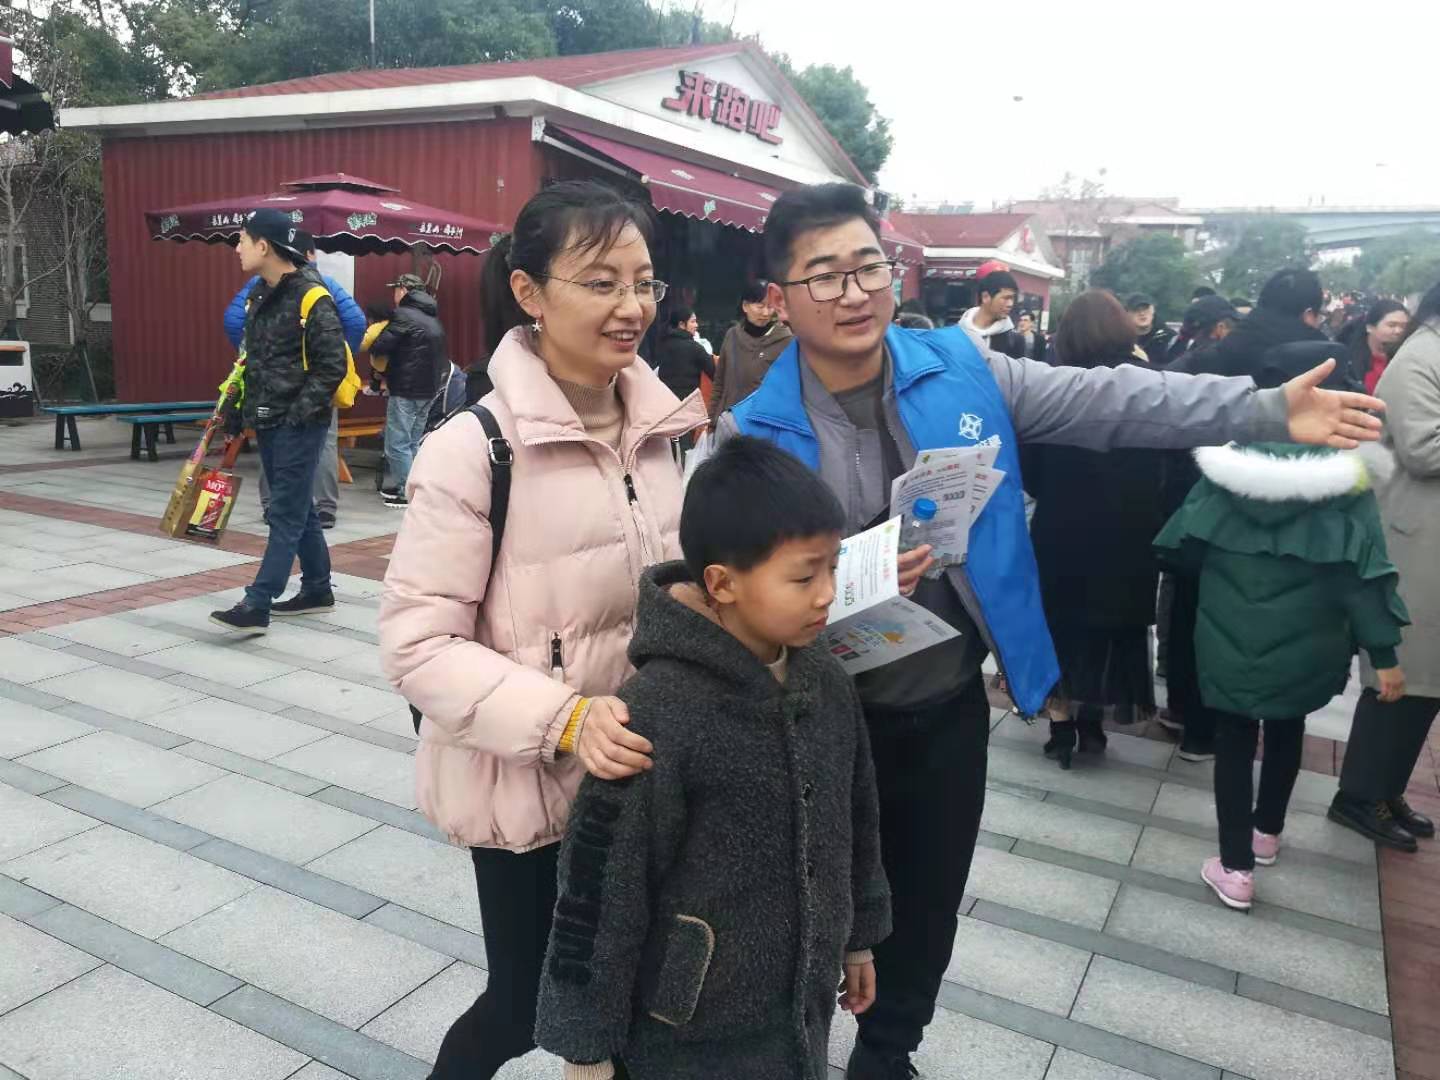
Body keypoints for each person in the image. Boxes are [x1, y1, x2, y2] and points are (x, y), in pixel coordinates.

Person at [712, 182, 1385, 1079]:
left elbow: (1111, 400)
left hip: (943, 706)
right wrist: (840, 583)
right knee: (806, 908)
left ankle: (888, 1052)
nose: (854, 292)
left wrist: (1261, 410)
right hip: (819, 726)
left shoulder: (962, 368)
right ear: (781, 296)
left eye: (868, 266)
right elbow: (726, 602)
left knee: (928, 899)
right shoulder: (751, 435)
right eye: (825, 275)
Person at [377, 180, 705, 1080]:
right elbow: (417, 644)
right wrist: (565, 719)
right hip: (534, 785)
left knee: (633, 996)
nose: (632, 306)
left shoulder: (664, 431)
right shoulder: (473, 448)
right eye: (600, 282)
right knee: (524, 1004)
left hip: (644, 779)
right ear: (529, 291)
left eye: (643, 281)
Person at [534, 436, 891, 1080]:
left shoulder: (826, 683)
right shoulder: (657, 710)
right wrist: (585, 1047)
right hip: (685, 1030)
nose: (826, 594)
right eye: (803, 577)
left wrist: (858, 935)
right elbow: (602, 883)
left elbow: (855, 815)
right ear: (722, 584)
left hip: (800, 1008)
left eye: (833, 569)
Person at [1155, 347, 1408, 911]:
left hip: (1226, 634)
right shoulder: (1348, 481)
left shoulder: (1225, 470)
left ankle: (1235, 868)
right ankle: (1266, 834)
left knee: (1234, 737)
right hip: (1310, 640)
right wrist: (1385, 655)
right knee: (1289, 726)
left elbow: (1179, 549)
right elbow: (1367, 578)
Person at [1025, 291, 1165, 767]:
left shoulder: (1052, 383)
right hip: (1129, 531)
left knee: (1059, 627)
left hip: (1063, 526)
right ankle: (1093, 725)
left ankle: (1061, 727)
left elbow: (1030, 467)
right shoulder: (1149, 383)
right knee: (1111, 629)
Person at [1329, 282, 1440, 852]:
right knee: (1400, 674)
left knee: (1428, 680)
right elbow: (1424, 449)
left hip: (1430, 539)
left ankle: (1387, 789)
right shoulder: (1421, 357)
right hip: (1416, 540)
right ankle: (1357, 794)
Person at [211, 209, 346, 632]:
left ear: (264, 245)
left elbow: (332, 365)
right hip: (267, 419)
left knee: (284, 512)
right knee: (299, 508)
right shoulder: (259, 295)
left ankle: (258, 602)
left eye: (242, 240)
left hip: (298, 424)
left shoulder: (312, 296)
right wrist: (236, 412)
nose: (237, 248)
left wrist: (298, 415)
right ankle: (318, 589)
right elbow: (251, 360)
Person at [222, 231, 363, 529]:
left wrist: (258, 353)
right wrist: (338, 352)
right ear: (308, 254)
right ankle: (323, 507)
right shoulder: (324, 284)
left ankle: (273, 504)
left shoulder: (259, 285)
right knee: (324, 442)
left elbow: (233, 320)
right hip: (317, 385)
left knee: (270, 441)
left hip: (275, 388)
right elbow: (355, 321)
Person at [372, 273, 448, 508]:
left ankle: (407, 491)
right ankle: (415, 488)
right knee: (413, 442)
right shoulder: (432, 317)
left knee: (397, 443)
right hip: (428, 389)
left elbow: (380, 345)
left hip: (406, 388)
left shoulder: (403, 315)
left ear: (404, 290)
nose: (393, 294)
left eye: (396, 289)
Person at [708, 280, 793, 419]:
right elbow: (719, 383)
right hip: (728, 420)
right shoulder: (732, 336)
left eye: (770, 307)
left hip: (764, 421)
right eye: (760, 306)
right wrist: (711, 421)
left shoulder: (785, 340)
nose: (765, 313)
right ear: (745, 306)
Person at [652, 306, 716, 403]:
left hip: (665, 402)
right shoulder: (695, 348)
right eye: (693, 321)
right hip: (688, 403)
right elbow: (715, 374)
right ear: (681, 324)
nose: (696, 325)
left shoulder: (663, 345)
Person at [1344, 298, 1408, 393]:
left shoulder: (1406, 360)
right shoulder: (1348, 362)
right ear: (1370, 327)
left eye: (1403, 326)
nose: (1398, 331)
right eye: (1392, 325)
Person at [958, 269, 1025, 358]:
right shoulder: (958, 333)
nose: (1010, 304)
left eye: (1012, 298)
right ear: (985, 297)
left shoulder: (1014, 340)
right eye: (1005, 298)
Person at [1127, 293, 1174, 365]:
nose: (1142, 313)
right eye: (1136, 310)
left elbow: (1175, 368)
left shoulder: (1170, 338)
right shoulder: (1122, 340)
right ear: (1127, 313)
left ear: (1153, 310)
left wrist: (1145, 363)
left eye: (1145, 309)